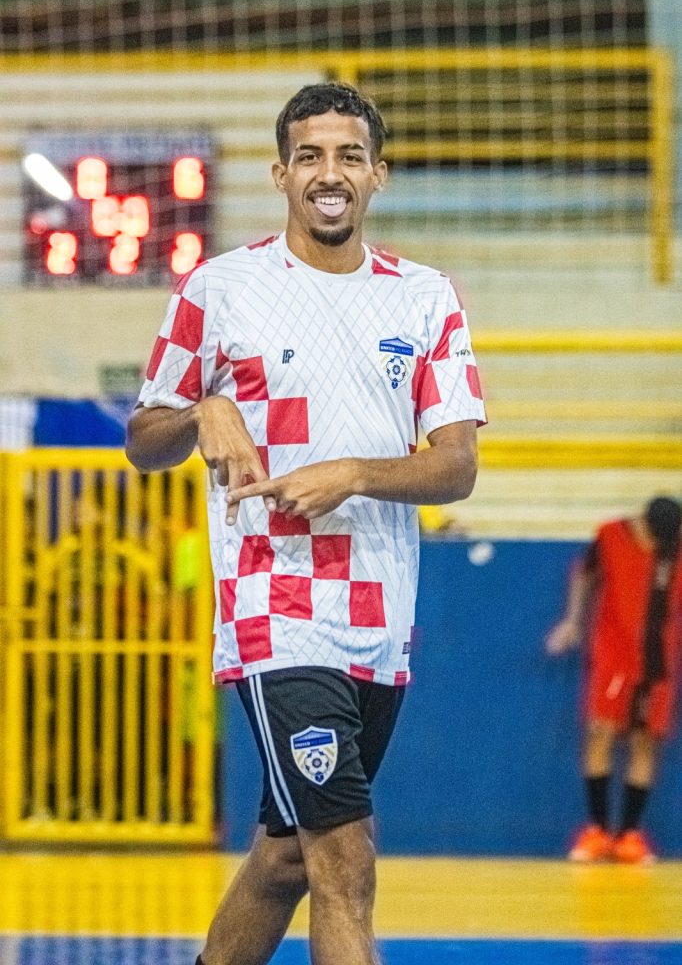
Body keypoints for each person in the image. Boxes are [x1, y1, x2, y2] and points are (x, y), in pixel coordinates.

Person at [126, 82, 486, 965]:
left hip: (380, 621)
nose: (331, 174)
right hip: (274, 607)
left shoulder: (424, 298)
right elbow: (144, 440)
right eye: (311, 157)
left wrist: (356, 473)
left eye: (350, 156)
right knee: (345, 859)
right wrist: (202, 409)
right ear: (281, 174)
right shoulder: (220, 289)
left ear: (378, 175)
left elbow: (457, 467)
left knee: (287, 855)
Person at [545, 496, 682, 865]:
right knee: (600, 734)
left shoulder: (676, 545)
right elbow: (583, 574)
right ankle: (599, 832)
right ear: (643, 525)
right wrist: (572, 621)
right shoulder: (610, 536)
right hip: (614, 656)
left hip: (658, 664)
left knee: (645, 743)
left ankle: (629, 836)